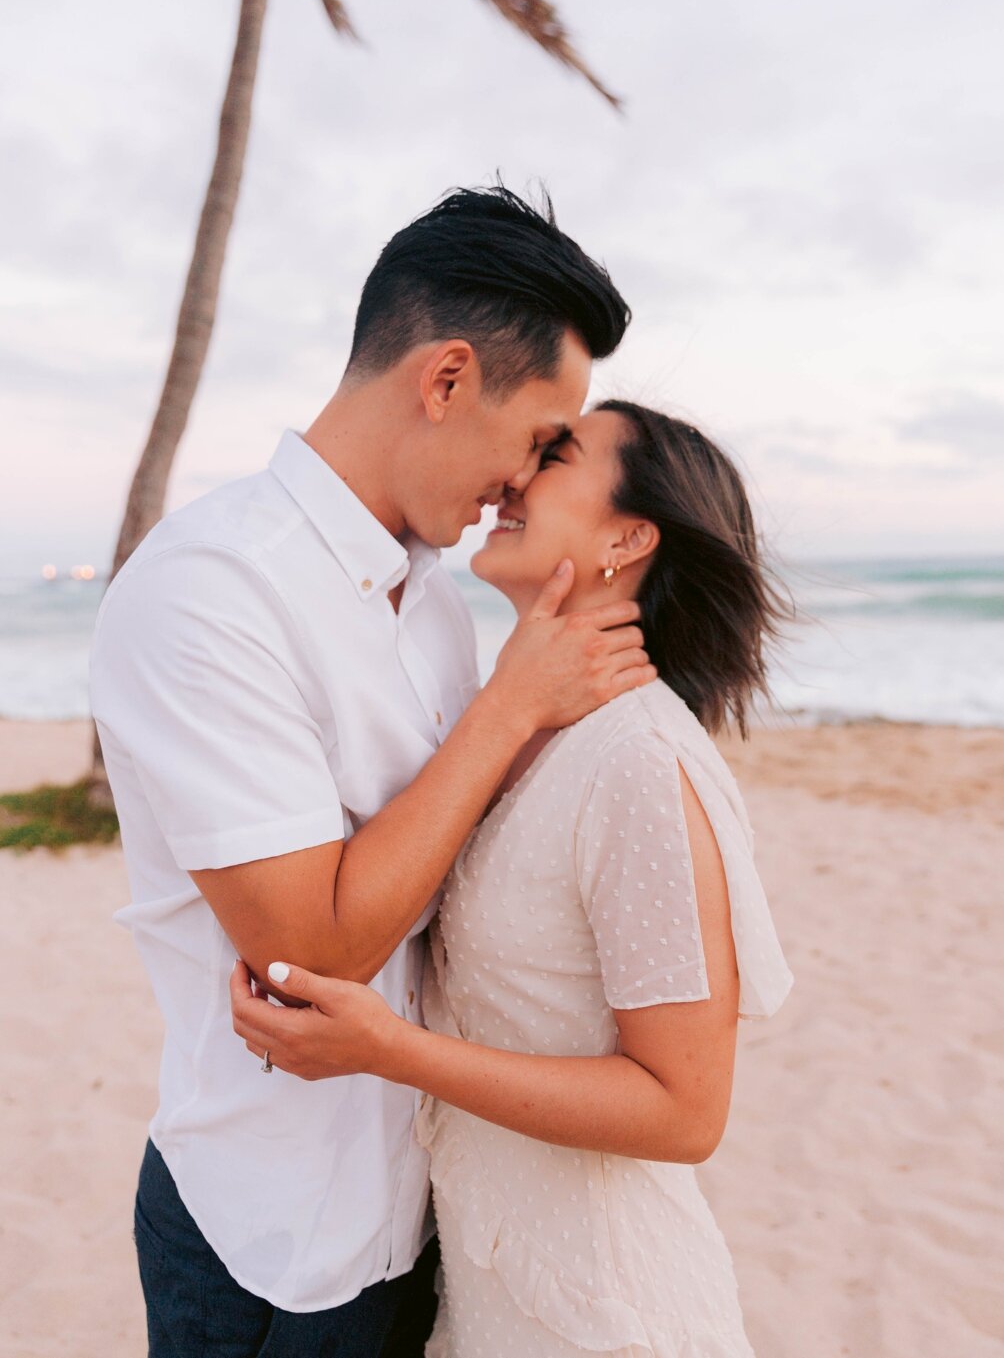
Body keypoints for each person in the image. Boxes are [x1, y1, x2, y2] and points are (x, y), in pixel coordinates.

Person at [91, 185, 652, 1356]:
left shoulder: (438, 603)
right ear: (445, 379)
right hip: (269, 1235)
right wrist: (507, 708)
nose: (525, 478)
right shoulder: (211, 588)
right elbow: (316, 946)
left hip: (428, 1207)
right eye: (539, 435)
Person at [231, 400, 793, 1358]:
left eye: (556, 455)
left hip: (604, 1314)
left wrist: (387, 1048)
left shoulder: (642, 761)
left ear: (628, 535)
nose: (516, 476)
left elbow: (686, 1108)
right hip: (492, 1289)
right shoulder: (519, 721)